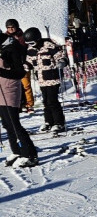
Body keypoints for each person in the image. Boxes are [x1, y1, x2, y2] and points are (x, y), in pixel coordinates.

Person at [1, 23, 39, 167]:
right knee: (6, 124)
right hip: (0, 90)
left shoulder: (12, 47)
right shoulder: (3, 46)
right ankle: (16, 150)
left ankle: (31, 154)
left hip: (10, 89)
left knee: (14, 123)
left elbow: (20, 73)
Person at [23, 27, 67, 135]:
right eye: (28, 43)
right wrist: (26, 66)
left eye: (32, 42)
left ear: (37, 39)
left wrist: (62, 61)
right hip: (41, 80)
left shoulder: (49, 46)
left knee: (52, 101)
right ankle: (48, 122)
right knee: (46, 102)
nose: (31, 45)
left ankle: (59, 122)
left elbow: (60, 56)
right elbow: (29, 61)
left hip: (52, 79)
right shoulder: (31, 50)